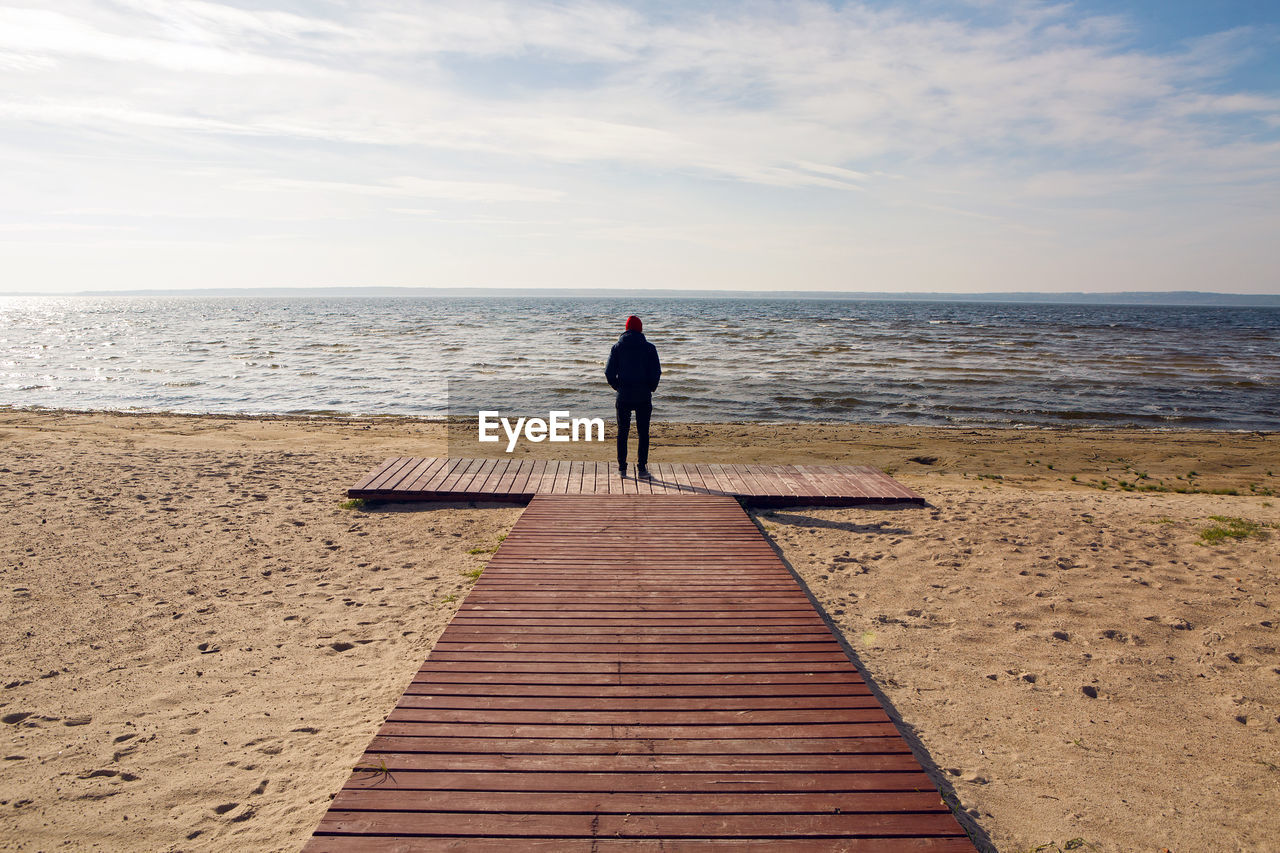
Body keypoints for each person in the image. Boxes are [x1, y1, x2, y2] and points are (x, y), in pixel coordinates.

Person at [605, 315, 661, 478]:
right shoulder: (650, 348)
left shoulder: (617, 347)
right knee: (643, 432)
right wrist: (651, 388)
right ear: (640, 329)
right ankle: (642, 468)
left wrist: (618, 387)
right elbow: (656, 372)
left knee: (623, 431)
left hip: (624, 396)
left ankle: (622, 468)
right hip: (643, 395)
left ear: (626, 329)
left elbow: (609, 373)